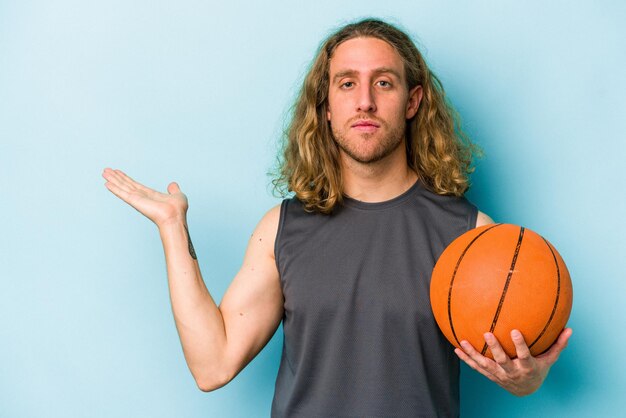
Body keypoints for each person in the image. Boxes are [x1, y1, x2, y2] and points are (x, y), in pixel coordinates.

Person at [102, 18, 572, 418]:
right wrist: (172, 229)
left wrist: (526, 378)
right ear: (326, 108)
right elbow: (213, 366)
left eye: (383, 82)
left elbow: (517, 372)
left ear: (412, 102)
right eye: (347, 83)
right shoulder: (282, 228)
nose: (364, 100)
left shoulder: (472, 237)